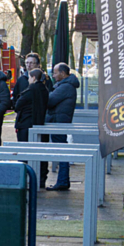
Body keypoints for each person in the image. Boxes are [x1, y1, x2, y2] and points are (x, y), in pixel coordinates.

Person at [45, 62, 80, 191]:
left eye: (55, 72)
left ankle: (63, 180)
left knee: (61, 150)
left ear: (63, 73)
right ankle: (63, 180)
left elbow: (50, 101)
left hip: (58, 122)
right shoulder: (66, 85)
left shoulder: (65, 87)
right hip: (59, 120)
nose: (53, 75)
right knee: (61, 149)